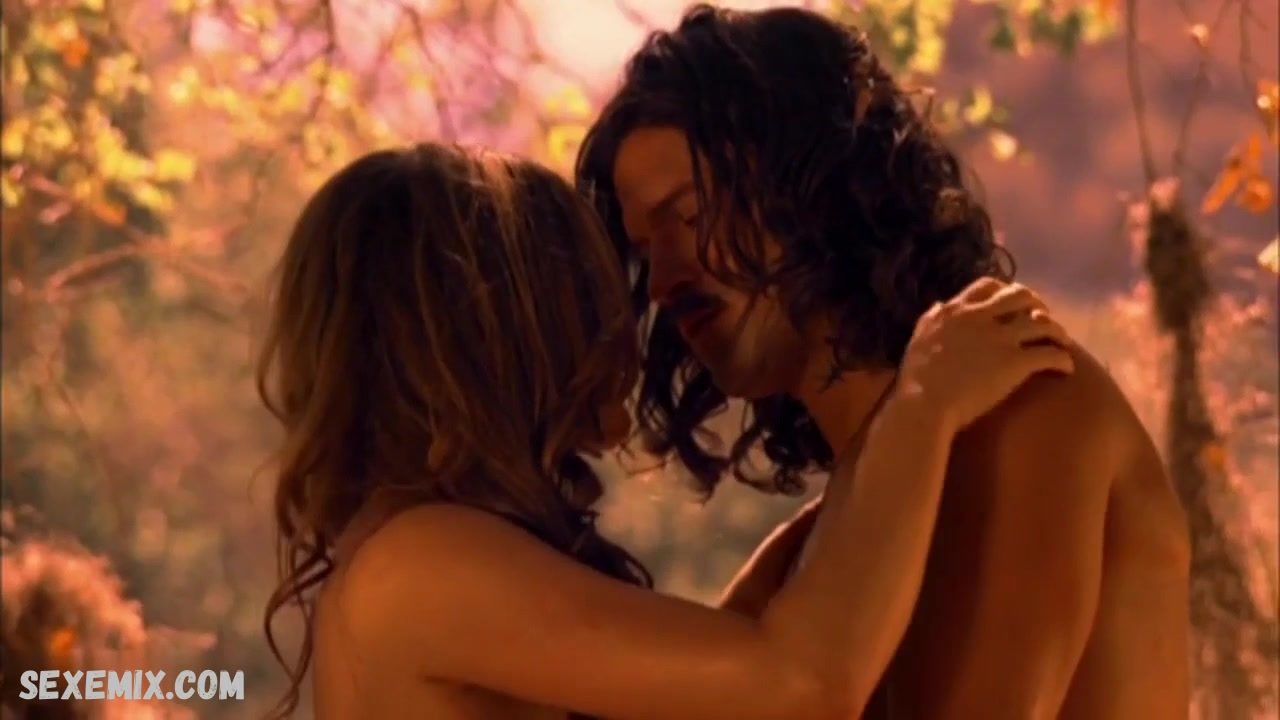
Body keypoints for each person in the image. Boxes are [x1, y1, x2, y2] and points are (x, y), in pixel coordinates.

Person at [256, 142, 1074, 719]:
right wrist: (921, 404)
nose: (636, 312)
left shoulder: (427, 557)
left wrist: (873, 463)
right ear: (499, 331)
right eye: (592, 287)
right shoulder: (421, 564)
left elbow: (723, 666)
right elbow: (799, 686)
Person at [575, 5, 1191, 719]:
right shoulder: (807, 564)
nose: (661, 280)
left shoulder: (1027, 407)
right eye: (644, 249)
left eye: (688, 216)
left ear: (809, 189)